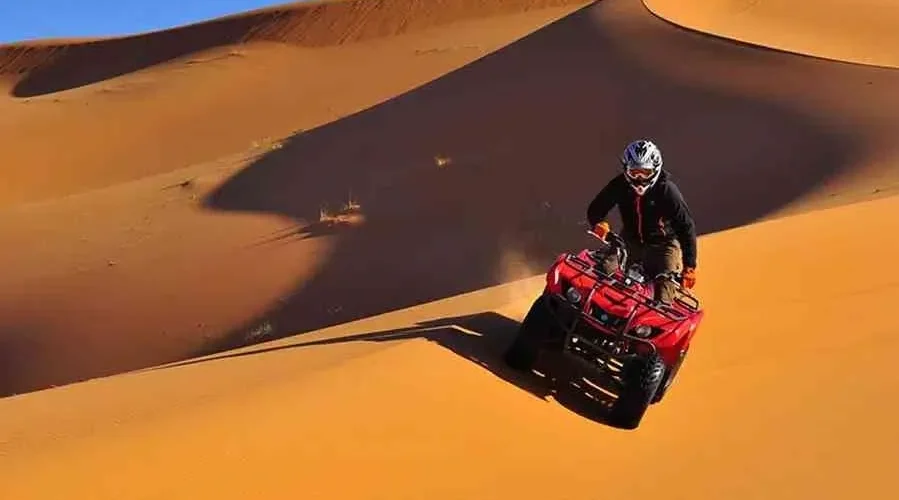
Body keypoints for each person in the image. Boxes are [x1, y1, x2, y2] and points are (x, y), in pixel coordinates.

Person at [586, 139, 698, 303]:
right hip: (628, 241)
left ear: (655, 170)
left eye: (645, 173)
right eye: (634, 172)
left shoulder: (667, 191)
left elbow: (686, 227)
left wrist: (690, 266)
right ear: (626, 170)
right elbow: (595, 209)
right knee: (602, 271)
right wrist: (599, 224)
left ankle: (649, 326)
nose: (639, 178)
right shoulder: (620, 185)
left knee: (664, 295)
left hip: (664, 246)